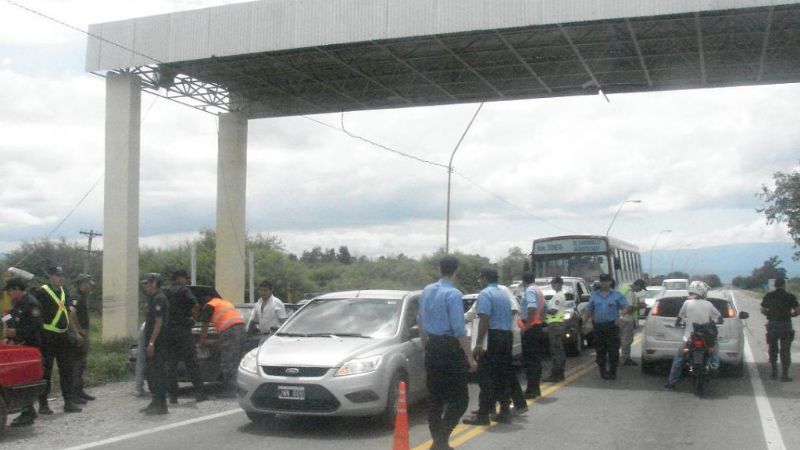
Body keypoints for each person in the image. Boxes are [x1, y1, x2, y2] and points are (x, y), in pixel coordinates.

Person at [418, 255, 476, 450]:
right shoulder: (453, 294)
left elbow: (421, 322)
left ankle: (439, 442)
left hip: (433, 346)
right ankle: (441, 441)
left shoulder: (426, 291)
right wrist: (469, 357)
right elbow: (459, 330)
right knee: (460, 399)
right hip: (450, 348)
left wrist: (426, 347)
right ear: (456, 270)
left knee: (435, 398)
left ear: (439, 268)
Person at [463, 267, 515, 425]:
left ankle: (483, 414)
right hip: (506, 336)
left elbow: (484, 318)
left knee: (485, 376)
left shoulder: (486, 294)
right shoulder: (503, 294)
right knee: (502, 375)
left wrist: (479, 342)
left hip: (493, 337)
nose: (479, 281)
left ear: (485, 278)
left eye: (480, 278)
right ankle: (505, 411)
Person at [33, 265, 83, 413]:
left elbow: (68, 314)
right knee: (46, 370)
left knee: (67, 369)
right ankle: (43, 404)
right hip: (48, 336)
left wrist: (75, 333)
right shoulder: (41, 292)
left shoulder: (64, 291)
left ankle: (68, 401)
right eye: (57, 275)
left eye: (62, 275)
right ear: (51, 276)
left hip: (63, 335)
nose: (60, 278)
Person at [2, 277, 43, 427]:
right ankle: (27, 410)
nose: (9, 294)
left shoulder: (31, 304)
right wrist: (9, 335)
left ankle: (28, 411)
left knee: (26, 378)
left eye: (10, 291)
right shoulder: (17, 304)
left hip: (31, 347)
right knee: (18, 378)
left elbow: (35, 328)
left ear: (17, 289)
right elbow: (11, 320)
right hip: (20, 346)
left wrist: (16, 333)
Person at [664, 286, 721, 389]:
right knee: (715, 346)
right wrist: (713, 322)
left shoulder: (687, 303)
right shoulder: (708, 304)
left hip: (689, 337)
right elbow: (719, 318)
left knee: (679, 358)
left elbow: (679, 319)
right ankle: (715, 365)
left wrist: (678, 324)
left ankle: (671, 382)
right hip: (706, 337)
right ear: (703, 293)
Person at [164, 268, 206, 403]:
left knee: (171, 365)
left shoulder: (165, 291)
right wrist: (193, 319)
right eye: (185, 278)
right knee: (192, 362)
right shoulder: (184, 290)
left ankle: (173, 396)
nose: (186, 280)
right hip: (183, 331)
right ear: (179, 278)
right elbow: (195, 305)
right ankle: (199, 393)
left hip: (169, 332)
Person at [197, 290, 246, 397]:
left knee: (227, 361)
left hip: (230, 331)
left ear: (205, 299)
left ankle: (230, 391)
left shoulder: (209, 305)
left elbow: (204, 327)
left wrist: (200, 343)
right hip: (241, 329)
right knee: (236, 360)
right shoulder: (225, 302)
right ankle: (240, 388)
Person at [582, 274, 631, 380]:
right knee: (600, 350)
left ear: (610, 282)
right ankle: (603, 371)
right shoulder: (595, 295)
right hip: (599, 327)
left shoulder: (617, 295)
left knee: (613, 350)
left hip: (612, 326)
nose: (604, 283)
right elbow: (589, 310)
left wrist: (621, 316)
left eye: (606, 281)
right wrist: (584, 323)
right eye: (602, 281)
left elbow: (626, 307)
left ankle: (613, 372)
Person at [141, 273, 170, 414]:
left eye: (148, 283)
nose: (146, 286)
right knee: (150, 372)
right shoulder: (151, 299)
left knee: (158, 373)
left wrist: (152, 342)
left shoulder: (159, 299)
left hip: (158, 342)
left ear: (155, 284)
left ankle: (161, 404)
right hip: (151, 341)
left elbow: (159, 322)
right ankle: (155, 400)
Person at [760, 277, 799, 381]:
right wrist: (791, 315)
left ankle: (774, 372)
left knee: (772, 349)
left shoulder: (769, 296)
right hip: (786, 325)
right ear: (784, 285)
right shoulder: (790, 296)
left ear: (775, 285)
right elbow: (798, 310)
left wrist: (771, 314)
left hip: (772, 325)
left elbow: (763, 310)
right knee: (785, 350)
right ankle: (784, 375)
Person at [519, 272, 547, 398]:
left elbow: (531, 308)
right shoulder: (538, 290)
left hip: (530, 328)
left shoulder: (530, 290)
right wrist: (540, 320)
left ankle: (531, 390)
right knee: (536, 360)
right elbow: (546, 309)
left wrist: (527, 325)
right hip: (537, 327)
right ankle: (535, 388)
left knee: (530, 360)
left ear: (524, 281)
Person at [69, 273, 95, 402]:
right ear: (83, 283)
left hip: (82, 333)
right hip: (79, 335)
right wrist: (78, 332)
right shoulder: (76, 297)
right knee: (77, 365)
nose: (90, 286)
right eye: (88, 283)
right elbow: (71, 313)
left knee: (81, 364)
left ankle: (79, 391)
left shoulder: (82, 297)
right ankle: (74, 394)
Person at [543, 276, 568, 382]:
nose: (552, 285)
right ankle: (558, 373)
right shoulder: (557, 295)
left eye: (553, 283)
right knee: (557, 350)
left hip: (555, 325)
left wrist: (543, 310)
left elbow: (553, 311)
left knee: (556, 350)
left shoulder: (558, 296)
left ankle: (557, 374)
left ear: (558, 284)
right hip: (555, 325)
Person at [620, 279, 646, 366]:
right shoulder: (630, 292)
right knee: (626, 340)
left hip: (619, 317)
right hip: (626, 319)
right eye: (641, 288)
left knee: (619, 339)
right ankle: (625, 359)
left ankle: (615, 357)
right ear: (637, 285)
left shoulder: (624, 287)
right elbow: (629, 308)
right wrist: (640, 306)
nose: (640, 290)